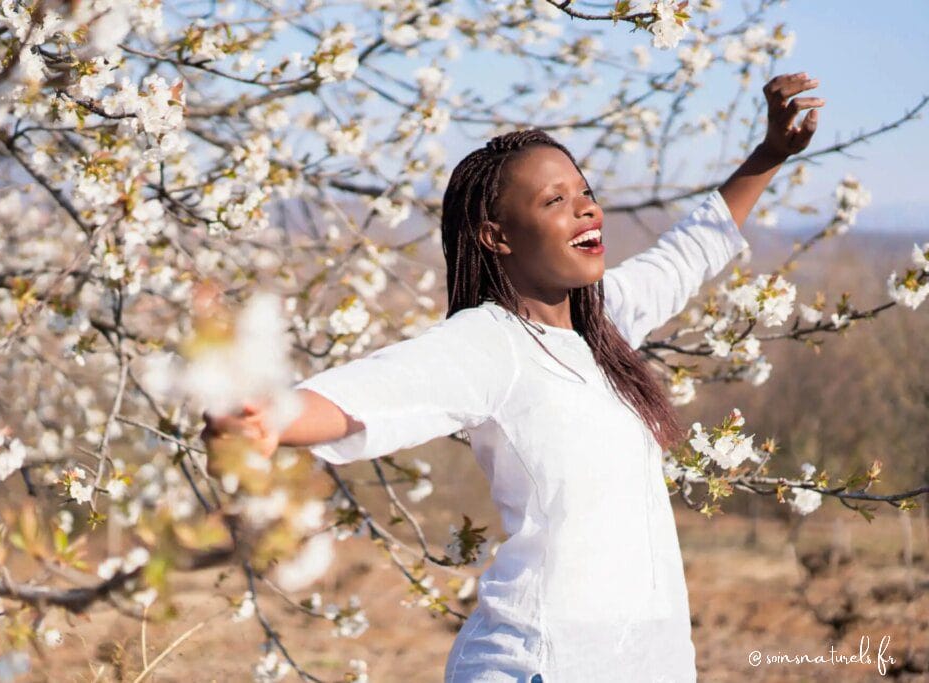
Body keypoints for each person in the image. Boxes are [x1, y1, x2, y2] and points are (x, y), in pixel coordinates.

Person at [202, 72, 823, 682]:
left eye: (584, 191)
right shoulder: (487, 344)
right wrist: (268, 420)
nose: (586, 207)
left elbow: (688, 253)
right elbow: (374, 392)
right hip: (538, 665)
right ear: (495, 234)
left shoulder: (603, 326)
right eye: (555, 200)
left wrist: (769, 155)